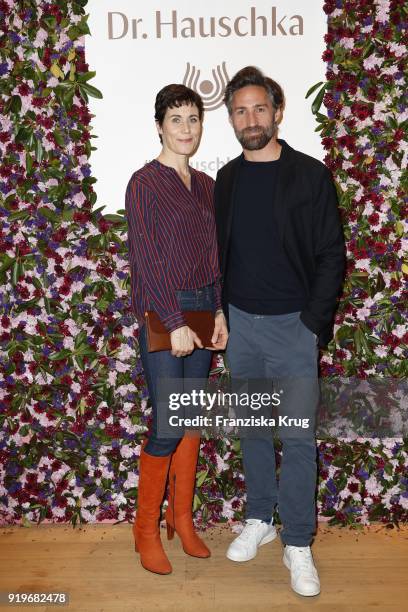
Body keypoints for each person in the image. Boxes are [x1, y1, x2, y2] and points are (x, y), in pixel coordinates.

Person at [214, 67, 345, 596]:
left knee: (296, 437)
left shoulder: (310, 176)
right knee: (252, 430)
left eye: (259, 108)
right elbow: (219, 256)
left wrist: (312, 324)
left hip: (294, 328)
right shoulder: (225, 179)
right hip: (241, 327)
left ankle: (297, 540)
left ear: (277, 111)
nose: (251, 119)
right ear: (231, 119)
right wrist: (222, 315)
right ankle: (259, 519)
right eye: (240, 111)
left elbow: (332, 255)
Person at [125, 84, 228, 575]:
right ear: (160, 125)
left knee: (191, 421)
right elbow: (145, 258)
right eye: (177, 119)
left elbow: (216, 258)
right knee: (167, 423)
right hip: (164, 311)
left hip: (206, 308)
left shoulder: (208, 186)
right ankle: (146, 530)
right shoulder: (144, 183)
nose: (187, 128)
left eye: (194, 118)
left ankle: (182, 521)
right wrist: (173, 320)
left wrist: (221, 312)